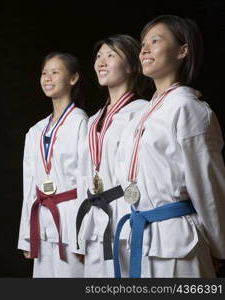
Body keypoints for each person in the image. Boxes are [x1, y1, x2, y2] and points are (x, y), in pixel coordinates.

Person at [113, 15, 225, 278]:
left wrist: (219, 248)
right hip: (139, 238)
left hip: (177, 245)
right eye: (143, 44)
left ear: (183, 50)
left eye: (155, 41)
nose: (145, 49)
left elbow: (208, 185)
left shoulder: (189, 109)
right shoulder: (140, 115)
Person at [75, 34, 149, 277]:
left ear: (131, 66)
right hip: (94, 219)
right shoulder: (94, 119)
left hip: (126, 218)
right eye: (98, 56)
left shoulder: (143, 112)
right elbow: (83, 175)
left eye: (110, 55)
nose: (101, 62)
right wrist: (81, 231)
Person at [18, 51, 88, 277]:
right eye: (44, 73)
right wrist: (26, 236)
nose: (47, 78)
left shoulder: (81, 122)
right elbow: (29, 186)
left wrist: (84, 236)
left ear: (73, 78)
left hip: (71, 222)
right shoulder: (35, 130)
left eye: (55, 72)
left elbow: (87, 180)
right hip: (42, 221)